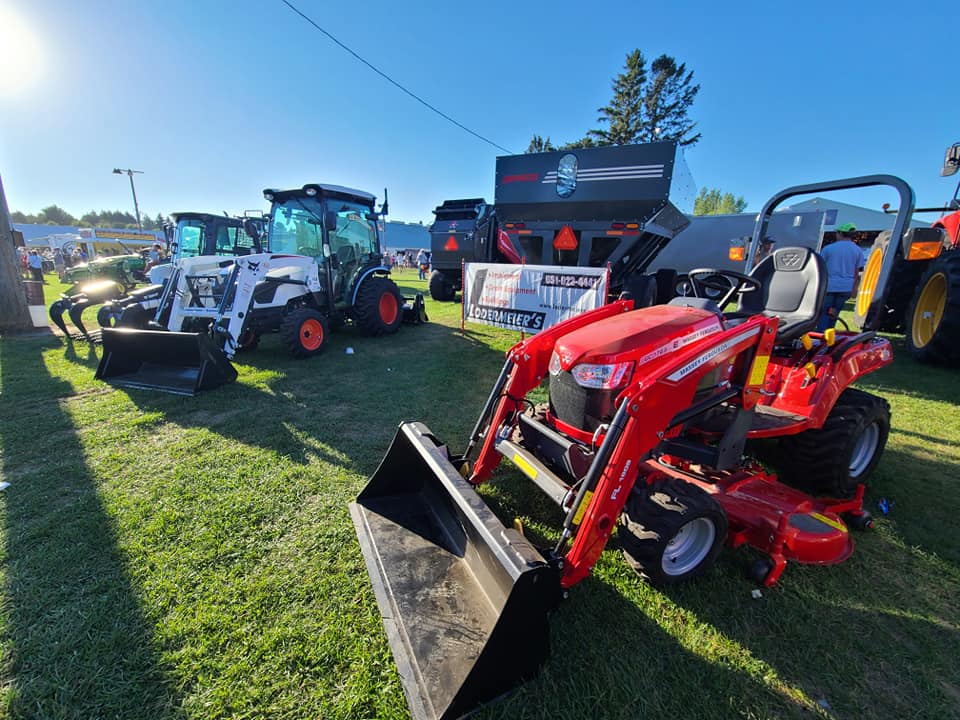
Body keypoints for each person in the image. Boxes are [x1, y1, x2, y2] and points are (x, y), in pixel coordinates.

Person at [817, 223, 864, 331]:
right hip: (846, 286)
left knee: (824, 312)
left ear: (840, 233)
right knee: (835, 312)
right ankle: (830, 332)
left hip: (829, 285)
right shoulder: (858, 250)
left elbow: (821, 267)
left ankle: (821, 335)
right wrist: (854, 289)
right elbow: (857, 272)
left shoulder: (829, 249)